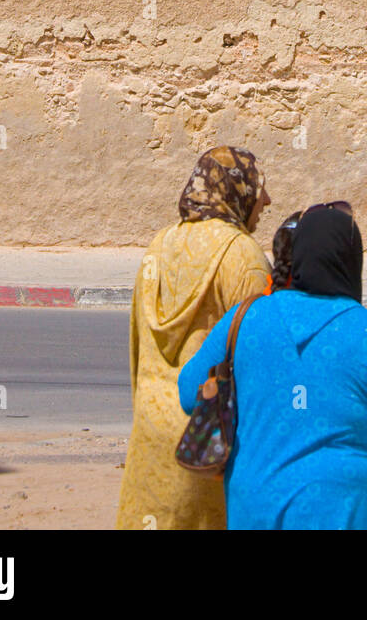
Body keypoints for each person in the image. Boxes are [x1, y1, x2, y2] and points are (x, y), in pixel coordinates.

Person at [178, 202, 367, 529]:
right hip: (348, 513)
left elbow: (188, 392)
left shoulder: (245, 319)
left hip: (255, 509)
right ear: (353, 262)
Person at [116, 146, 271, 530]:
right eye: (258, 188)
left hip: (150, 437)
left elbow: (138, 348)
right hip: (205, 443)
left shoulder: (157, 246)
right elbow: (261, 357)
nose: (266, 200)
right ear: (235, 190)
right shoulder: (243, 256)